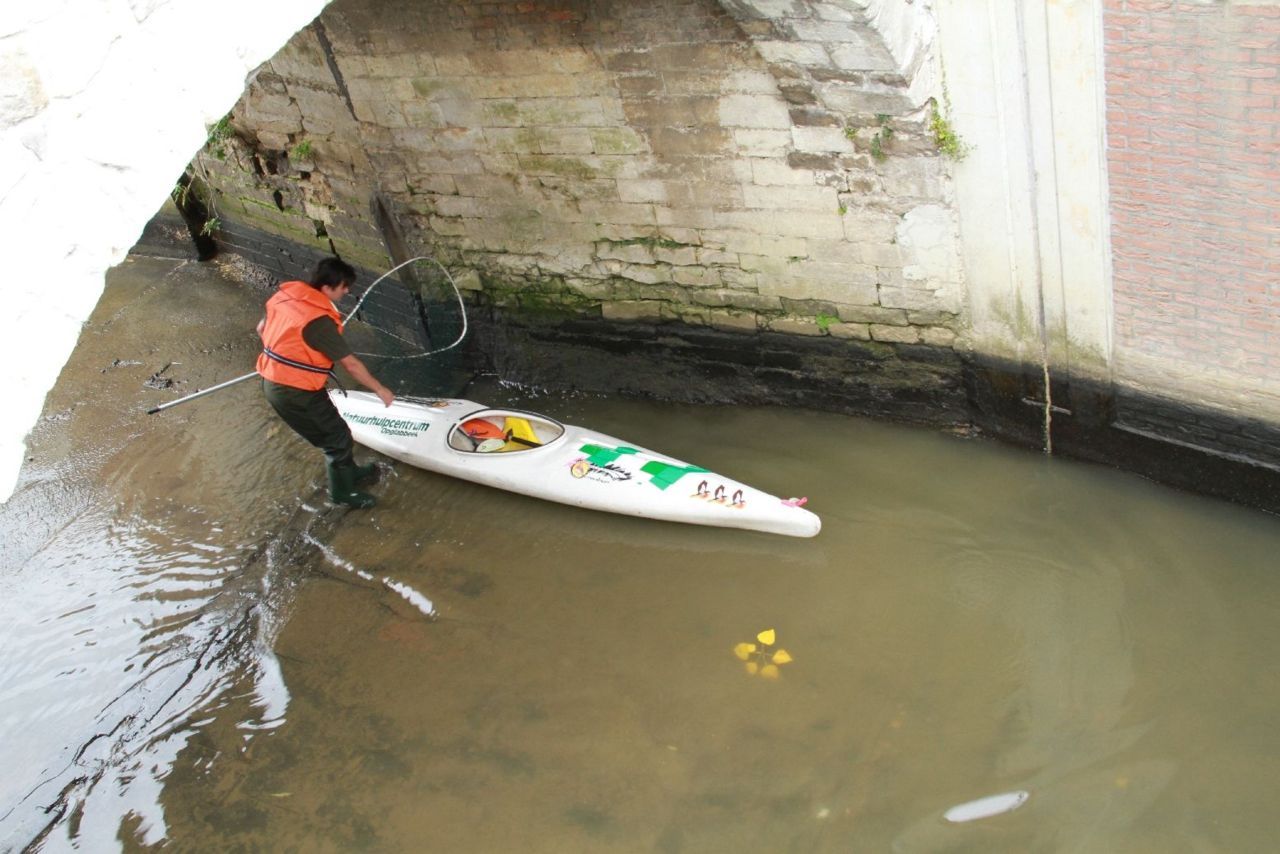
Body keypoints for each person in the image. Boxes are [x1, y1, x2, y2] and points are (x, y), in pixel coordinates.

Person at [256, 257, 395, 508]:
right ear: (328, 288)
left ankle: (350, 473)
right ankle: (342, 495)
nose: (347, 291)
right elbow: (351, 365)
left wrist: (286, 353)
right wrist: (381, 390)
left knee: (336, 429)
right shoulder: (318, 321)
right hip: (294, 390)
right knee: (337, 440)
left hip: (274, 379)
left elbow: (261, 329)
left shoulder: (284, 298)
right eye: (344, 287)